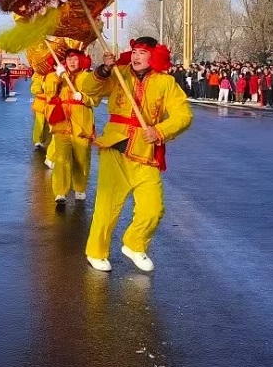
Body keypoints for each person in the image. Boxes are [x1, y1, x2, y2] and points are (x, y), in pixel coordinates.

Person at [85, 37, 192, 272]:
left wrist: (160, 130)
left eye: (142, 52)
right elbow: (88, 89)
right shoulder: (118, 73)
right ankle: (96, 251)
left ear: (153, 56)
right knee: (107, 205)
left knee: (153, 208)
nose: (136, 56)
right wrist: (103, 69)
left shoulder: (166, 82)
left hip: (146, 151)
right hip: (116, 147)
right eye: (134, 51)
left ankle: (135, 243)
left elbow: (183, 115)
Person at [42, 49, 100, 204]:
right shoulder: (58, 75)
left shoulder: (88, 77)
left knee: (81, 159)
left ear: (80, 60)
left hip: (81, 124)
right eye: (68, 59)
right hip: (62, 122)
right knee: (61, 158)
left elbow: (96, 99)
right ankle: (60, 191)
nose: (72, 62)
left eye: (75, 59)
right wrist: (57, 76)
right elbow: (49, 93)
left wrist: (84, 98)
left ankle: (80, 187)